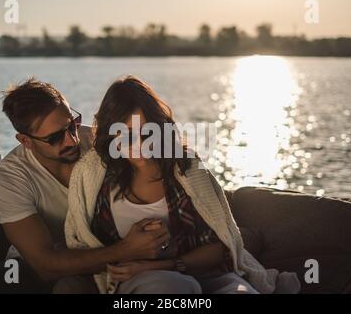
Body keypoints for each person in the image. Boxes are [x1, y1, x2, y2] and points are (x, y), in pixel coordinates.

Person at [65, 75, 301, 294]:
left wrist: (169, 262)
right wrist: (131, 255)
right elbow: (84, 246)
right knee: (173, 286)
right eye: (126, 135)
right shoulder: (94, 178)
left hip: (200, 274)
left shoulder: (186, 170)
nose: (139, 144)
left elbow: (219, 247)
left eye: (146, 133)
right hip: (139, 284)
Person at [0, 78, 170, 294]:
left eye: (72, 125)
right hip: (28, 270)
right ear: (25, 141)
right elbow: (43, 265)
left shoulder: (102, 143)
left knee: (70, 287)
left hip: (100, 263)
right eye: (54, 138)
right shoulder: (8, 176)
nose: (72, 140)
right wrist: (126, 249)